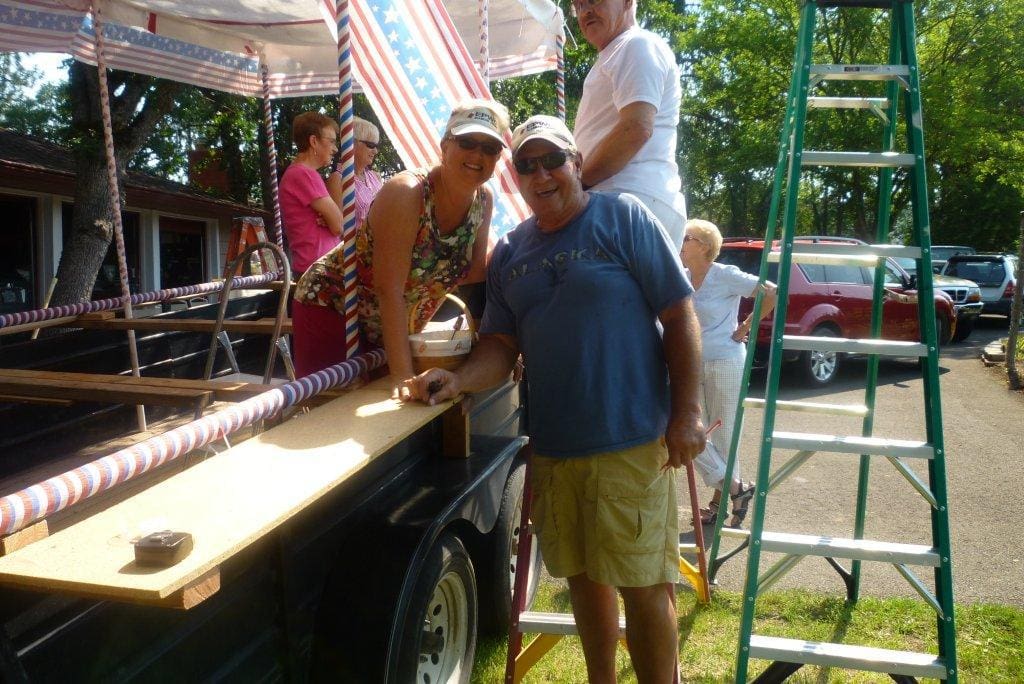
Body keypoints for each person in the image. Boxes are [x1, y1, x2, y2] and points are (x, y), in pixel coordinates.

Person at [403, 115, 705, 683]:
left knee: (645, 586)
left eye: (552, 161)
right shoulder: (510, 252)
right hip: (555, 449)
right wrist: (459, 380)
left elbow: (678, 312)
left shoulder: (623, 218)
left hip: (630, 441)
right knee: (585, 582)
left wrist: (687, 413)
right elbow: (500, 345)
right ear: (516, 176)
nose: (541, 174)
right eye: (527, 165)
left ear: (577, 164)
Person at [291, 99, 508, 384]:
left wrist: (481, 355)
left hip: (392, 327)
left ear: (497, 157)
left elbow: (475, 280)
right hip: (334, 308)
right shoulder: (407, 192)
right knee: (339, 408)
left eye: (490, 148)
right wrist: (403, 378)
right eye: (467, 142)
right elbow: (388, 289)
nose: (477, 154)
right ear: (445, 146)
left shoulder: (484, 199)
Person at [681, 218, 778, 528]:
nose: (680, 242)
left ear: (704, 246)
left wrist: (746, 327)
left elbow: (771, 292)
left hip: (725, 360)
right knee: (686, 427)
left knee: (725, 434)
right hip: (691, 363)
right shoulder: (682, 276)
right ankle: (737, 490)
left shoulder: (725, 274)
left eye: (686, 237)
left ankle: (718, 504)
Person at [571, 0, 687, 250]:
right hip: (626, 201)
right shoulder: (619, 52)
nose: (585, 11)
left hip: (626, 198)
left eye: (594, 0)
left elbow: (635, 128)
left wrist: (575, 187)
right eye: (578, 5)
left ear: (627, 2)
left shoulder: (636, 44)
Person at [279, 112, 344, 276]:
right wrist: (331, 219)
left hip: (315, 267)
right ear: (314, 141)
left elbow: (335, 222)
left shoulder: (299, 173)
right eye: (331, 141)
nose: (335, 149)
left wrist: (329, 218)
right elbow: (339, 226)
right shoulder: (305, 174)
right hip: (319, 271)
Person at [329, 116, 384, 227]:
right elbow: (338, 226)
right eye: (371, 145)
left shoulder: (376, 176)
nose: (375, 151)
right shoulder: (338, 179)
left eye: (376, 146)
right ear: (352, 144)